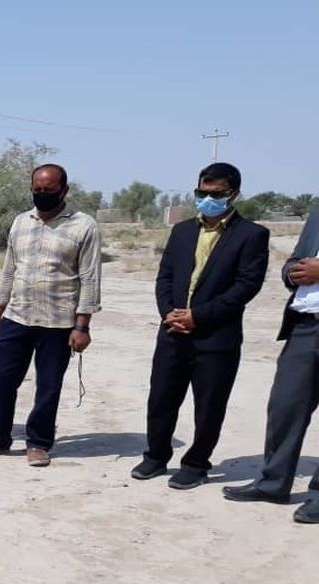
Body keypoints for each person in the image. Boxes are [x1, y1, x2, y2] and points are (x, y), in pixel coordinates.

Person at [131, 163, 269, 489]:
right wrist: (169, 313)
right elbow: (164, 277)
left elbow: (245, 287)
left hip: (216, 338)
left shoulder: (252, 235)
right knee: (162, 398)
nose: (207, 199)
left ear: (233, 193)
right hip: (172, 333)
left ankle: (196, 463)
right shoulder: (182, 231)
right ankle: (156, 456)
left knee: (209, 405)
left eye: (215, 194)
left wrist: (199, 316)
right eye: (202, 193)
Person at [0, 164, 101, 467]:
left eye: (49, 190)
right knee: (0, 381)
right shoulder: (20, 222)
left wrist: (83, 325)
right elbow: (9, 270)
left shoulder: (84, 226)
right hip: (17, 316)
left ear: (64, 190)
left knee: (48, 385)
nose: (42, 194)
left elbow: (90, 278)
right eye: (37, 189)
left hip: (59, 321)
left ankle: (38, 443)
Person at [224, 208, 319, 523]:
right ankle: (273, 483)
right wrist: (292, 273)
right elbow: (295, 261)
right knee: (285, 406)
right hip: (305, 325)